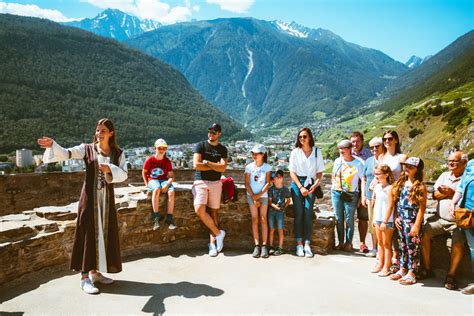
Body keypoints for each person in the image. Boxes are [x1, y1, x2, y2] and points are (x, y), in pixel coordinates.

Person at [37, 118, 128, 294]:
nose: (99, 133)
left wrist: (110, 169)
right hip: (89, 199)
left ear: (111, 133)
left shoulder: (118, 153)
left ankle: (95, 272)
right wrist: (53, 144)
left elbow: (124, 174)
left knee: (103, 233)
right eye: (97, 130)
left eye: (103, 130)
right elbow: (66, 153)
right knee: (87, 234)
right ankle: (84, 277)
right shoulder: (87, 149)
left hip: (106, 200)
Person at [419, 152, 467, 290]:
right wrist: (450, 193)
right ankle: (427, 268)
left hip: (458, 222)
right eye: (449, 161)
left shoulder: (466, 178)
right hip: (440, 219)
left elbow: (465, 198)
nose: (451, 163)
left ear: (463, 163)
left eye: (454, 161)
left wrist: (451, 193)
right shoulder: (444, 176)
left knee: (458, 243)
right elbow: (434, 194)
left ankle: (451, 275)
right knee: (424, 233)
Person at [390, 157, 427, 285]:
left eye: (411, 167)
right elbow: (396, 203)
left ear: (417, 170)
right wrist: (395, 217)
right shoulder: (401, 184)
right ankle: (403, 268)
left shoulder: (420, 186)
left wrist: (416, 225)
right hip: (401, 220)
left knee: (413, 247)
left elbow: (422, 208)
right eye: (406, 166)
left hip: (412, 221)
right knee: (402, 245)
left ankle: (412, 272)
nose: (407, 169)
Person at [192, 123, 227, 257]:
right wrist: (215, 166)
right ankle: (219, 234)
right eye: (209, 132)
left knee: (213, 213)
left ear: (219, 134)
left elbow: (223, 168)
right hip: (200, 181)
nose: (211, 134)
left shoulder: (223, 149)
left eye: (214, 132)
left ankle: (212, 244)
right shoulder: (200, 145)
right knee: (199, 209)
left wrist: (207, 163)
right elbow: (196, 165)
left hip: (216, 182)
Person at [289, 127, 325, 257]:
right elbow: (292, 172)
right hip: (297, 183)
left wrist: (315, 186)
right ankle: (299, 244)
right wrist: (300, 187)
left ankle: (307, 244)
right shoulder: (295, 152)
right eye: (300, 137)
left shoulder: (317, 152)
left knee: (308, 212)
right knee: (298, 213)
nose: (302, 139)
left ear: (309, 137)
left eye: (304, 136)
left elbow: (320, 172)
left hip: (311, 184)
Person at [378, 130, 406, 273]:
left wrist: (395, 188)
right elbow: (379, 173)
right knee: (383, 224)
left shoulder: (401, 157)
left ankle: (398, 258)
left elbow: (404, 176)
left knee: (395, 224)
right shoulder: (381, 156)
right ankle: (385, 260)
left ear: (396, 140)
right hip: (383, 194)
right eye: (385, 139)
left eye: (390, 138)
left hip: (397, 194)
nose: (387, 141)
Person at [331, 139, 364, 252]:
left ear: (350, 149)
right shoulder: (337, 161)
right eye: (339, 148)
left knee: (349, 220)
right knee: (339, 219)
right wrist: (334, 186)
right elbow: (333, 174)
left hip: (351, 194)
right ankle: (340, 242)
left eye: (343, 148)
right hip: (336, 192)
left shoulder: (358, 163)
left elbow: (363, 180)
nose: (341, 150)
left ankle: (348, 243)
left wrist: (362, 196)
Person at [449, 159, 474, 295]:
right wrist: (453, 203)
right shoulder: (470, 164)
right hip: (465, 216)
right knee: (471, 248)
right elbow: (461, 187)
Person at [142, 138, 176, 230]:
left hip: (164, 180)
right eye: (159, 148)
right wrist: (146, 183)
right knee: (156, 189)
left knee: (171, 192)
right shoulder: (150, 160)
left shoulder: (167, 161)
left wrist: (167, 184)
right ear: (155, 149)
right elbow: (144, 172)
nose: (161, 150)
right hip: (153, 180)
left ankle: (169, 218)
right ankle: (156, 217)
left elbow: (172, 176)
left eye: (163, 148)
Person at [245, 144, 272, 258]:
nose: (254, 155)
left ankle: (264, 245)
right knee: (255, 219)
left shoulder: (267, 167)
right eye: (253, 153)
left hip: (263, 195)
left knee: (263, 219)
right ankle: (257, 245)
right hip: (251, 195)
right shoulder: (249, 167)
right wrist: (253, 196)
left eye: (257, 154)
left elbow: (268, 182)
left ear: (263, 155)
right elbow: (246, 183)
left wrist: (259, 195)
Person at [361, 137, 384, 257]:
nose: (374, 149)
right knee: (372, 223)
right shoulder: (368, 161)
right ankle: (374, 248)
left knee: (382, 223)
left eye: (377, 146)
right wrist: (363, 195)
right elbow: (363, 179)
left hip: (383, 197)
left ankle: (382, 249)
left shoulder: (385, 160)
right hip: (370, 197)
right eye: (372, 147)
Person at [370, 164, 395, 276]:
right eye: (375, 174)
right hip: (377, 218)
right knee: (380, 242)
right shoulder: (376, 187)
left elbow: (390, 206)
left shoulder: (390, 188)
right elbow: (374, 202)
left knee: (387, 244)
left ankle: (387, 266)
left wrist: (385, 221)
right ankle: (380, 263)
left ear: (386, 174)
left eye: (378, 174)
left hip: (386, 220)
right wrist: (373, 218)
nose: (376, 176)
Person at [351, 131, 373, 254]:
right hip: (351, 190)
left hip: (364, 190)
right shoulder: (348, 153)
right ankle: (346, 242)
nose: (355, 144)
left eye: (357, 141)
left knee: (363, 218)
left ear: (362, 141)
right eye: (353, 141)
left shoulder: (369, 155)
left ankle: (362, 243)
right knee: (347, 217)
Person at [268, 170, 291, 256]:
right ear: (273, 180)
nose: (279, 177)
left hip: (280, 212)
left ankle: (280, 248)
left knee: (280, 230)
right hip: (271, 211)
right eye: (277, 176)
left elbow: (288, 200)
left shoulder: (285, 189)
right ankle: (270, 247)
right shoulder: (271, 189)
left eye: (281, 176)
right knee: (272, 229)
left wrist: (283, 207)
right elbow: (269, 202)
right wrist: (275, 206)